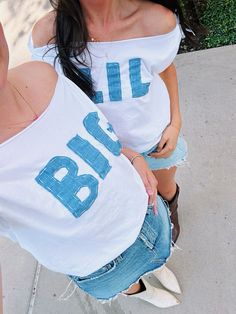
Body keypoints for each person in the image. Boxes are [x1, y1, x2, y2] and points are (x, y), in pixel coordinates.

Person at [0, 22, 181, 308]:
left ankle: (156, 265)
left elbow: (96, 132)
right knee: (128, 281)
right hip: (103, 264)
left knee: (157, 253)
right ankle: (141, 289)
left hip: (144, 207)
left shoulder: (40, 73)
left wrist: (130, 155)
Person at [30, 0, 190, 243]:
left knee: (165, 190)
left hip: (154, 141)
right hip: (101, 156)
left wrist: (175, 123)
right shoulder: (48, 34)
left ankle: (171, 213)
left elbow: (167, 69)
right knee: (128, 205)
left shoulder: (158, 21)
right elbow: (53, 102)